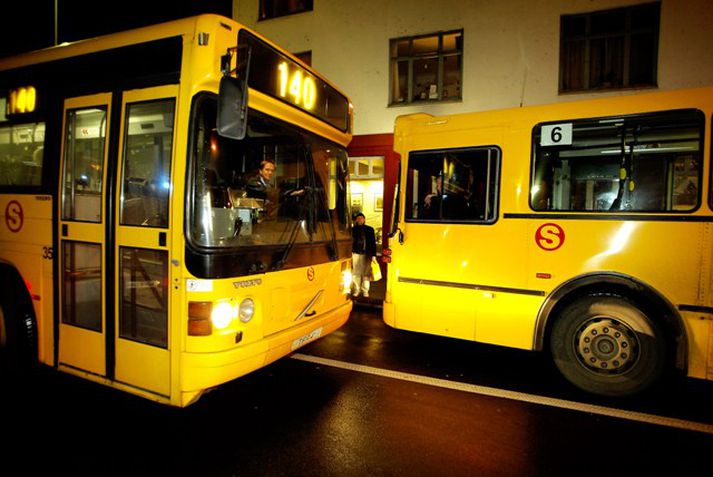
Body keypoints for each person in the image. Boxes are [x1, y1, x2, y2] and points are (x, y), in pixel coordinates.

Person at [351, 212, 377, 298]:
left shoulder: (370, 229)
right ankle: (357, 289)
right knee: (356, 273)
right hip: (356, 253)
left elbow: (373, 243)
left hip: (367, 254)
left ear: (364, 219)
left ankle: (365, 290)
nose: (360, 220)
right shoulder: (353, 230)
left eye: (361, 218)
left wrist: (374, 255)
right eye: (358, 218)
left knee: (366, 273)